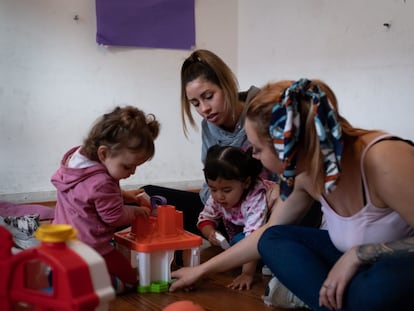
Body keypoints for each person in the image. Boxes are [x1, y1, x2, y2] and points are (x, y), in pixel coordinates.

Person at [169, 78, 414, 311]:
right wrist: (201, 270)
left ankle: (337, 300)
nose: (254, 157)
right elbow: (264, 234)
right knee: (272, 240)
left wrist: (361, 253)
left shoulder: (383, 159)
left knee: (375, 288)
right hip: (351, 257)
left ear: (285, 145)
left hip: (392, 265)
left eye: (257, 149)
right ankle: (338, 301)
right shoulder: (305, 173)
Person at [142, 49, 279, 237]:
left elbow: (294, 168)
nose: (204, 109)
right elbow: (209, 183)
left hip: (262, 212)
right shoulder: (209, 126)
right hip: (225, 211)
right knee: (148, 196)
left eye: (209, 96)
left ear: (226, 85)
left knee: (256, 235)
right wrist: (216, 207)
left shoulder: (263, 111)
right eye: (195, 103)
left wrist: (281, 188)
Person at [51, 105, 160, 294]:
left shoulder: (76, 161)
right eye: (128, 167)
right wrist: (136, 212)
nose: (132, 172)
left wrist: (125, 195)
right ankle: (88, 283)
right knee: (130, 278)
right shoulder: (102, 182)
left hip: (61, 239)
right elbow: (113, 216)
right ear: (103, 153)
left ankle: (65, 274)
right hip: (89, 245)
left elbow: (88, 195)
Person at [199, 144, 272, 290]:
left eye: (227, 190)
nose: (219, 196)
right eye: (212, 189)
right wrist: (210, 233)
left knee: (239, 242)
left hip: (265, 238)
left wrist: (247, 274)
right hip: (243, 238)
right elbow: (205, 218)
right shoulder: (218, 196)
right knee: (236, 243)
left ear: (246, 183)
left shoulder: (255, 198)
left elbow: (253, 239)